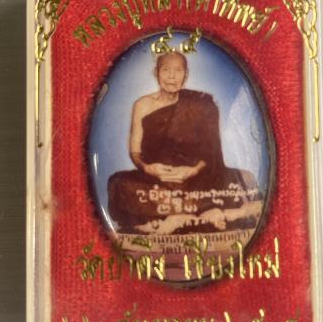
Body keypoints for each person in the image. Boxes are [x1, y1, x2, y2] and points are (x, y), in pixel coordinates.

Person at [107, 49, 263, 235]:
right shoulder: (142, 105)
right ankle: (206, 215)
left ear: (186, 75)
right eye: (166, 70)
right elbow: (134, 151)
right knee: (119, 183)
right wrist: (147, 168)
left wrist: (193, 170)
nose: (172, 76)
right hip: (157, 180)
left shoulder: (201, 103)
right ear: (156, 73)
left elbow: (211, 151)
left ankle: (173, 218)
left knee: (236, 181)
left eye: (178, 71)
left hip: (197, 179)